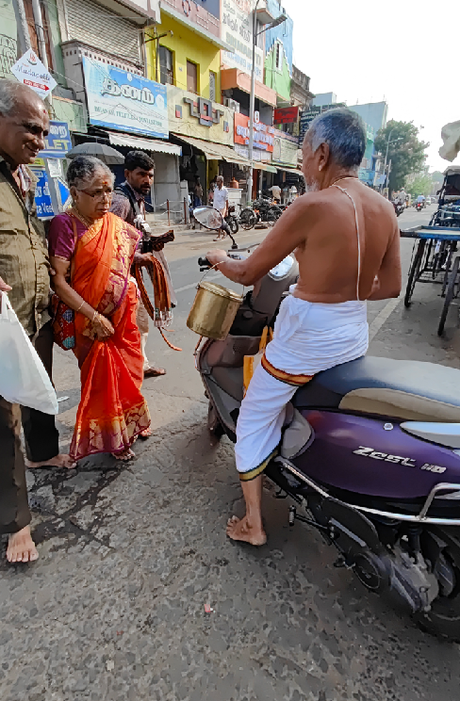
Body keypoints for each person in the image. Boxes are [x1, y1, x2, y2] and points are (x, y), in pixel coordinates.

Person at [206, 107, 401, 546]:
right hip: (351, 331)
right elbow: (389, 286)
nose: (301, 164)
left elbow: (246, 272)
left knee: (254, 415)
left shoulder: (311, 205)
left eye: (305, 152)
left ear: (323, 154)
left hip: (308, 335)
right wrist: (341, 290)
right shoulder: (386, 209)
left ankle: (254, 524)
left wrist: (220, 258)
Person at [0, 79, 75, 563]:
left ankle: (43, 450)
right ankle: (15, 524)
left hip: (33, 313)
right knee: (4, 423)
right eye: (31, 129)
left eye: (45, 132)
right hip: (4, 323)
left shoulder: (17, 175)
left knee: (38, 388)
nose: (39, 141)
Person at [48, 156, 151, 462]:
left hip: (121, 316)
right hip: (89, 321)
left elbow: (118, 265)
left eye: (108, 190)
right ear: (74, 192)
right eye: (96, 192)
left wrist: (143, 260)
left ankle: (130, 424)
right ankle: (112, 438)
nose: (105, 199)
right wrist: (94, 316)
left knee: (129, 372)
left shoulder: (113, 225)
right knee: (101, 381)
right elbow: (60, 283)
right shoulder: (64, 226)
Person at [110, 150, 175, 378]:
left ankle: (139, 365)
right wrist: (139, 258)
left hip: (130, 274)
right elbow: (110, 244)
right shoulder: (120, 202)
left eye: (150, 175)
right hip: (118, 277)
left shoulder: (136, 198)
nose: (147, 180)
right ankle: (129, 372)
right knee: (132, 325)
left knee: (139, 324)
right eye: (141, 174)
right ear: (127, 174)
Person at [212, 175, 231, 242]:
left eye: (218, 181)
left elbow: (226, 201)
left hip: (222, 208)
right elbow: (215, 200)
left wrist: (226, 210)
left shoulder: (225, 190)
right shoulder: (216, 190)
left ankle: (219, 235)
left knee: (219, 222)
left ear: (222, 182)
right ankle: (224, 233)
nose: (217, 183)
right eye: (216, 181)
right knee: (219, 222)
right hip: (216, 208)